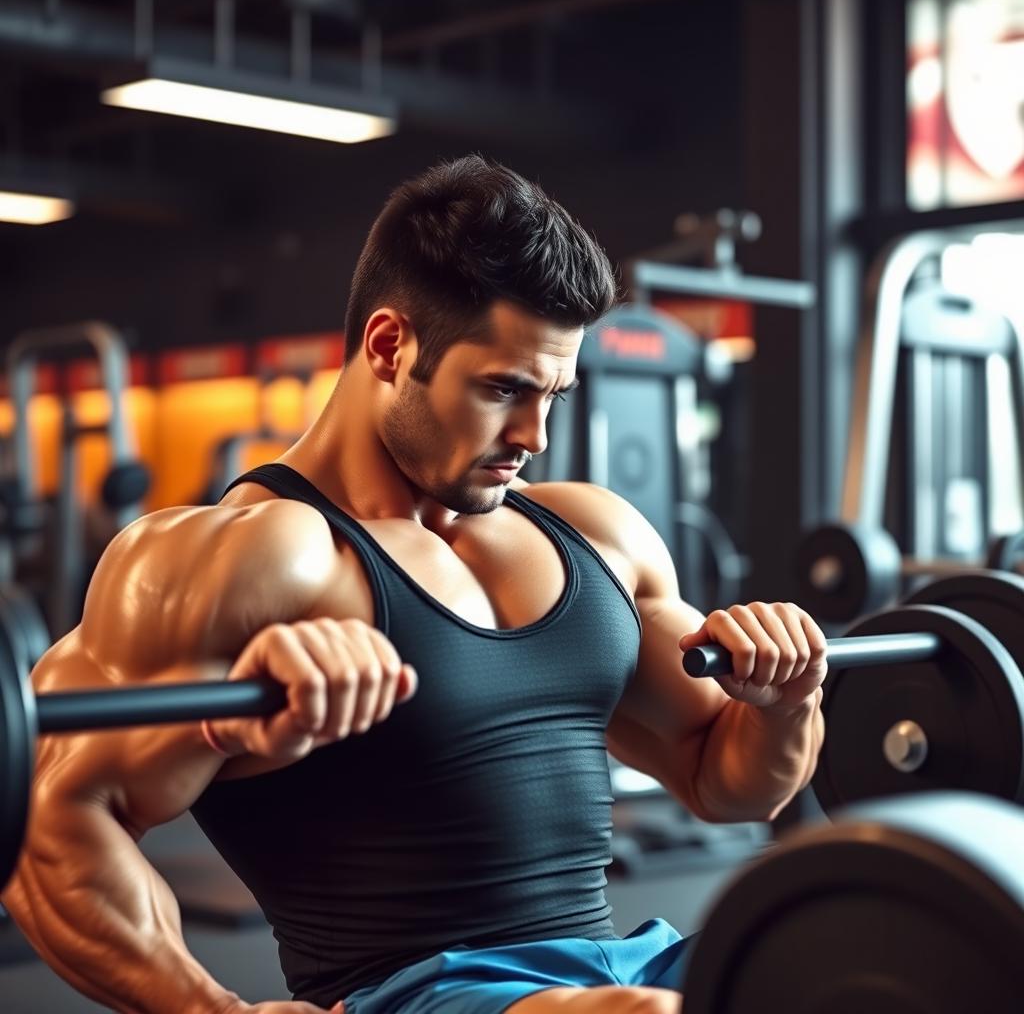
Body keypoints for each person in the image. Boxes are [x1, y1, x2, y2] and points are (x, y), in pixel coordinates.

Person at [1, 156, 827, 1014]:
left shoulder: (593, 532)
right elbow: (44, 818)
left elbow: (723, 779)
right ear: (391, 346)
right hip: (420, 994)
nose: (536, 435)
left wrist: (785, 697)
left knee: (864, 940)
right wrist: (210, 1012)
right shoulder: (255, 557)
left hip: (622, 972)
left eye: (554, 395)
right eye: (504, 389)